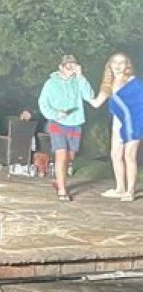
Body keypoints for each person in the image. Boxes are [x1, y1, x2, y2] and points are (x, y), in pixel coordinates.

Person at [37, 54, 95, 200]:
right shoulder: (51, 83)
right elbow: (43, 103)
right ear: (60, 67)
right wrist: (55, 114)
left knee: (70, 156)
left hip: (75, 123)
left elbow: (90, 96)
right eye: (67, 65)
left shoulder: (78, 81)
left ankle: (59, 180)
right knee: (61, 153)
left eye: (73, 65)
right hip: (57, 123)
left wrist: (81, 76)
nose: (70, 68)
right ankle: (62, 190)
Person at [89, 52, 143, 201]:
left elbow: (140, 104)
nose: (118, 65)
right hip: (117, 124)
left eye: (122, 62)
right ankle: (120, 188)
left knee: (129, 156)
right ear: (110, 65)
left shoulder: (133, 82)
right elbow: (96, 103)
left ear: (127, 65)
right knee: (115, 155)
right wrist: (80, 82)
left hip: (133, 123)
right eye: (115, 62)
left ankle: (130, 191)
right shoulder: (108, 85)